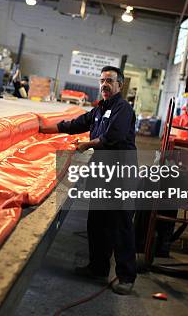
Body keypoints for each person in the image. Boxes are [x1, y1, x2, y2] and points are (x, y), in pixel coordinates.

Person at [40, 65, 137, 295]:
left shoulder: (123, 109)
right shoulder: (99, 109)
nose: (104, 84)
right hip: (102, 172)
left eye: (110, 81)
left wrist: (87, 144)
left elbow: (112, 137)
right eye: (102, 80)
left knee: (120, 225)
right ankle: (98, 268)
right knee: (97, 222)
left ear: (119, 85)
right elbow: (76, 124)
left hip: (120, 173)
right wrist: (46, 129)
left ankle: (126, 277)